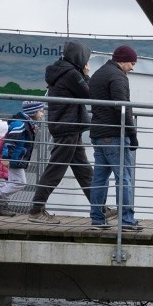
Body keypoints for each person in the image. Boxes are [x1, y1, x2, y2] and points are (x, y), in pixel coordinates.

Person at [28, 41, 111, 224]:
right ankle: (35, 210)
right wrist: (86, 75)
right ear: (79, 57)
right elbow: (90, 94)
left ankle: (100, 207)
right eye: (85, 58)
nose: (86, 62)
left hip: (68, 126)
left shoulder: (62, 70)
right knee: (56, 168)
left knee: (83, 170)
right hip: (68, 127)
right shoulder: (72, 74)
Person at [88, 45, 142, 231]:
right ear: (123, 60)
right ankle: (126, 220)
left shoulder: (99, 74)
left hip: (97, 134)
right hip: (114, 134)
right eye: (132, 63)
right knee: (124, 177)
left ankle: (97, 219)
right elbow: (123, 107)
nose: (133, 67)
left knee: (99, 179)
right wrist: (132, 133)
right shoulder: (118, 76)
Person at [0, 102, 44, 217]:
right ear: (33, 112)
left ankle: (1, 206)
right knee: (20, 182)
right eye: (40, 111)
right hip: (14, 159)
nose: (42, 113)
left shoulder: (26, 123)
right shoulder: (20, 125)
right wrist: (5, 158)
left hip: (17, 158)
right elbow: (10, 142)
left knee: (15, 182)